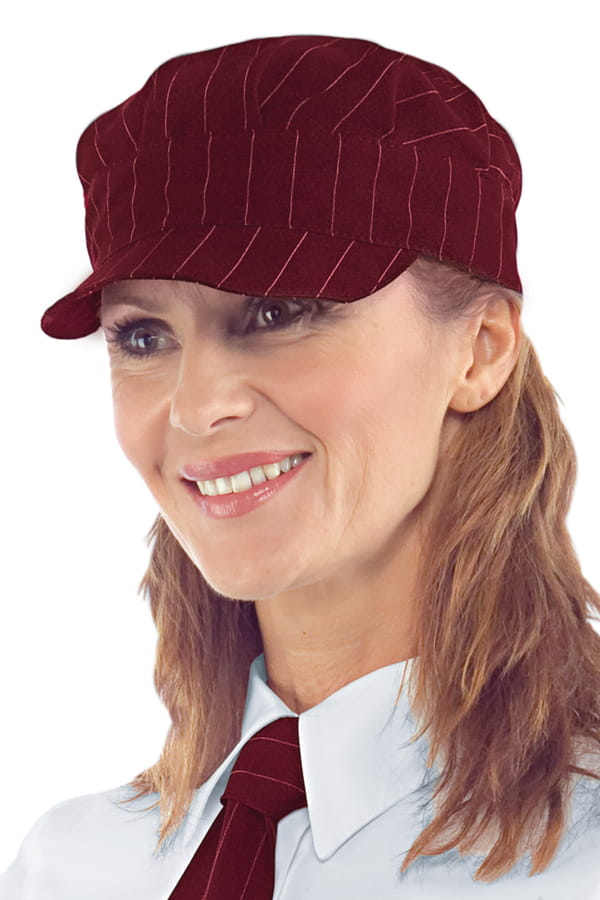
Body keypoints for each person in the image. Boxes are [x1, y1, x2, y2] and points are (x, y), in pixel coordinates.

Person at [2, 33, 599, 900]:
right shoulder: (75, 866)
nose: (196, 407)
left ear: (480, 349)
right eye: (144, 336)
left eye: (279, 312)